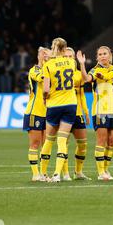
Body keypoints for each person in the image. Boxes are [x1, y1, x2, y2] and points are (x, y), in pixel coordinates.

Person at [77, 46, 113, 181]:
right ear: (97, 57)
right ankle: (101, 172)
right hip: (100, 110)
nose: (102, 56)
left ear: (110, 55)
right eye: (100, 54)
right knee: (101, 141)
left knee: (112, 142)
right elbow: (86, 79)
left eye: (105, 54)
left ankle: (106, 169)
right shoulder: (95, 70)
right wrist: (82, 64)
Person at [39, 37, 78, 183]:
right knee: (62, 140)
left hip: (54, 104)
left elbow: (46, 89)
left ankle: (42, 174)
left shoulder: (48, 65)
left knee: (49, 140)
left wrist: (44, 98)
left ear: (53, 47)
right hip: (70, 104)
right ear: (65, 48)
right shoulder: (72, 62)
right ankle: (57, 174)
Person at [61, 47, 91, 181]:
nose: (68, 59)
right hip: (63, 113)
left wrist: (86, 112)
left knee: (83, 144)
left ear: (74, 59)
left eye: (70, 57)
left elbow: (82, 95)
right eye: (65, 56)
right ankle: (65, 173)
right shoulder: (58, 74)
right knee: (64, 144)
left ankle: (78, 172)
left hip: (77, 113)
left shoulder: (79, 75)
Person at [23, 47, 50, 181]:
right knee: (35, 143)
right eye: (42, 53)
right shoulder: (35, 70)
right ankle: (35, 174)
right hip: (35, 112)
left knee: (46, 144)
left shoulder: (51, 69)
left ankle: (44, 173)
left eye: (47, 53)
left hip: (49, 112)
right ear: (38, 55)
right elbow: (43, 78)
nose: (45, 55)